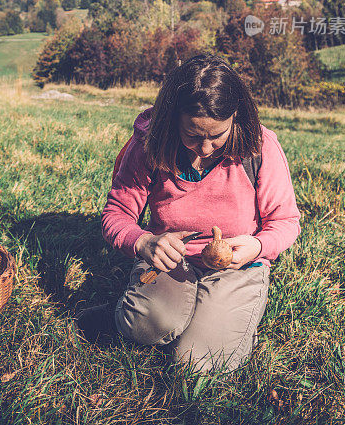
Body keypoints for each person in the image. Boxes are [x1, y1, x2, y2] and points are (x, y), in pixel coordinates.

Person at [77, 53, 301, 374]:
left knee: (197, 362)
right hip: (171, 261)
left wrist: (258, 246)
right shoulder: (149, 145)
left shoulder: (261, 146)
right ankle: (141, 316)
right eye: (194, 135)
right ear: (173, 119)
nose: (206, 147)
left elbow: (285, 222)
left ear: (235, 118)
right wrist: (143, 243)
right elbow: (117, 213)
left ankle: (227, 325)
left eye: (217, 135)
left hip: (238, 267)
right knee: (145, 326)